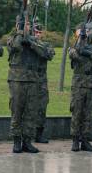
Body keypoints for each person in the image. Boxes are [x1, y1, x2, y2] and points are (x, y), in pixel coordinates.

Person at [7, 17, 53, 154]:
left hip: (33, 81)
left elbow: (46, 53)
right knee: (17, 111)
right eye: (24, 24)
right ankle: (16, 141)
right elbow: (14, 46)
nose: (26, 26)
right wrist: (21, 34)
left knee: (30, 112)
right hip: (17, 80)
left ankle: (27, 141)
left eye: (28, 24)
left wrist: (31, 42)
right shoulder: (13, 38)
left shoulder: (35, 41)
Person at [68, 24, 92, 152]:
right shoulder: (74, 47)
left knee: (89, 113)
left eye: (89, 31)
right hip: (78, 84)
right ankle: (75, 140)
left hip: (91, 84)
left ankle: (85, 139)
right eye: (84, 31)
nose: (87, 33)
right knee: (77, 112)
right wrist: (81, 45)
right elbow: (74, 55)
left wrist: (91, 54)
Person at [34, 23, 55, 144]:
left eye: (39, 33)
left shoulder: (46, 45)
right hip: (28, 80)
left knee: (41, 108)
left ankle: (39, 134)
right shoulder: (27, 44)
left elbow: (48, 55)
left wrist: (35, 46)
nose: (37, 34)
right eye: (35, 32)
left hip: (41, 81)